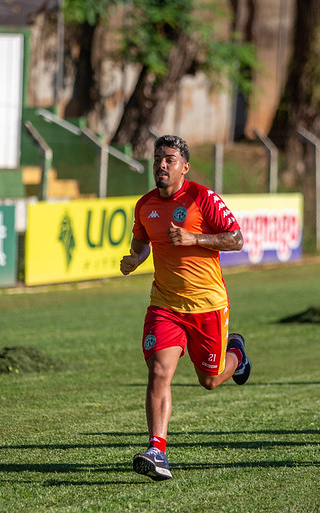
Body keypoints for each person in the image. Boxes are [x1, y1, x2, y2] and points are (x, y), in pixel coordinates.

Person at [119, 134, 250, 481]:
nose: (161, 165)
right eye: (158, 158)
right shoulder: (145, 205)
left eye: (170, 160)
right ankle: (157, 451)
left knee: (209, 380)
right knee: (159, 371)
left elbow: (236, 239)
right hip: (165, 304)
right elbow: (141, 242)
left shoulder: (202, 198)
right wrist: (134, 259)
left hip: (207, 305)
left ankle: (236, 353)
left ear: (185, 167)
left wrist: (195, 239)